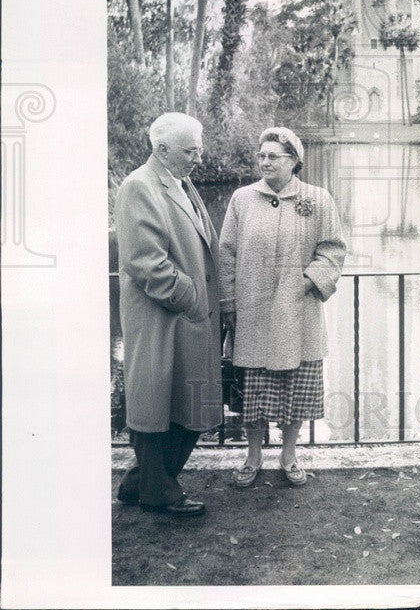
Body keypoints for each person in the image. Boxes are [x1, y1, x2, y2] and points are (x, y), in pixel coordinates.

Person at [220, 126, 345, 488]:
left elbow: (333, 250)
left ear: (294, 160)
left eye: (273, 156)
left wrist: (307, 282)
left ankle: (289, 455)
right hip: (253, 313)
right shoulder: (242, 199)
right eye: (261, 155)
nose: (265, 162)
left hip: (298, 313)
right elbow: (226, 254)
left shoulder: (318, 198)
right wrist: (229, 302)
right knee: (254, 389)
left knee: (297, 389)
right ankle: (253, 455)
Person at [115, 113, 222, 517]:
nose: (200, 158)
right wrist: (191, 296)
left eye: (199, 149)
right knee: (157, 404)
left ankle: (141, 483)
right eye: (191, 151)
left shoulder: (181, 181)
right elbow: (145, 263)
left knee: (188, 405)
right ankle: (159, 491)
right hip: (162, 319)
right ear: (161, 150)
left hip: (188, 319)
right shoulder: (138, 186)